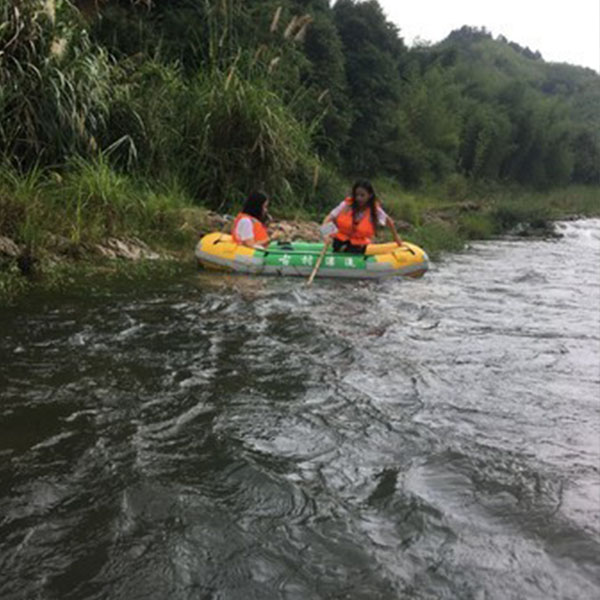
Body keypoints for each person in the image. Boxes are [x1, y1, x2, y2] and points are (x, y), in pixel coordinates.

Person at [322, 180, 404, 254]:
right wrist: (326, 235)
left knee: (353, 250)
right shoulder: (346, 204)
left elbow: (389, 222)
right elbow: (329, 217)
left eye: (362, 195)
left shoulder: (374, 210)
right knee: (337, 245)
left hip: (358, 243)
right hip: (341, 238)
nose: (359, 198)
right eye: (357, 195)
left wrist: (396, 238)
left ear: (370, 195)